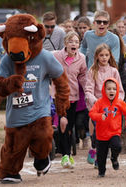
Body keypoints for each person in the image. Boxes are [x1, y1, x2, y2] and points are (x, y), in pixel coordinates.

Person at [85, 43, 124, 167]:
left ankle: (111, 154)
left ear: (110, 56)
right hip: (98, 107)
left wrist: (118, 103)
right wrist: (96, 101)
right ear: (96, 56)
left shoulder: (114, 71)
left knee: (111, 133)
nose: (104, 57)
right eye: (101, 55)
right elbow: (88, 91)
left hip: (112, 108)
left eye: (106, 55)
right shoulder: (92, 71)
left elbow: (120, 90)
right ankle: (96, 152)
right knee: (99, 132)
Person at [52, 31, 87, 168]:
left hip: (73, 96)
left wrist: (88, 91)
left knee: (69, 126)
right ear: (65, 43)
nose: (74, 44)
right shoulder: (56, 56)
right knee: (62, 124)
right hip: (59, 95)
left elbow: (83, 76)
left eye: (77, 42)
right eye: (71, 41)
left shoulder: (81, 58)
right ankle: (66, 155)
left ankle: (67, 153)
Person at [89, 78, 126, 177]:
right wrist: (100, 116)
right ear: (104, 90)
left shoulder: (119, 102)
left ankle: (114, 158)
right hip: (101, 135)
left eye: (114, 89)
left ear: (117, 90)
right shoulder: (99, 102)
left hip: (114, 132)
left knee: (117, 146)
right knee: (101, 157)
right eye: (109, 89)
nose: (111, 91)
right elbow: (91, 113)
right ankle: (101, 172)